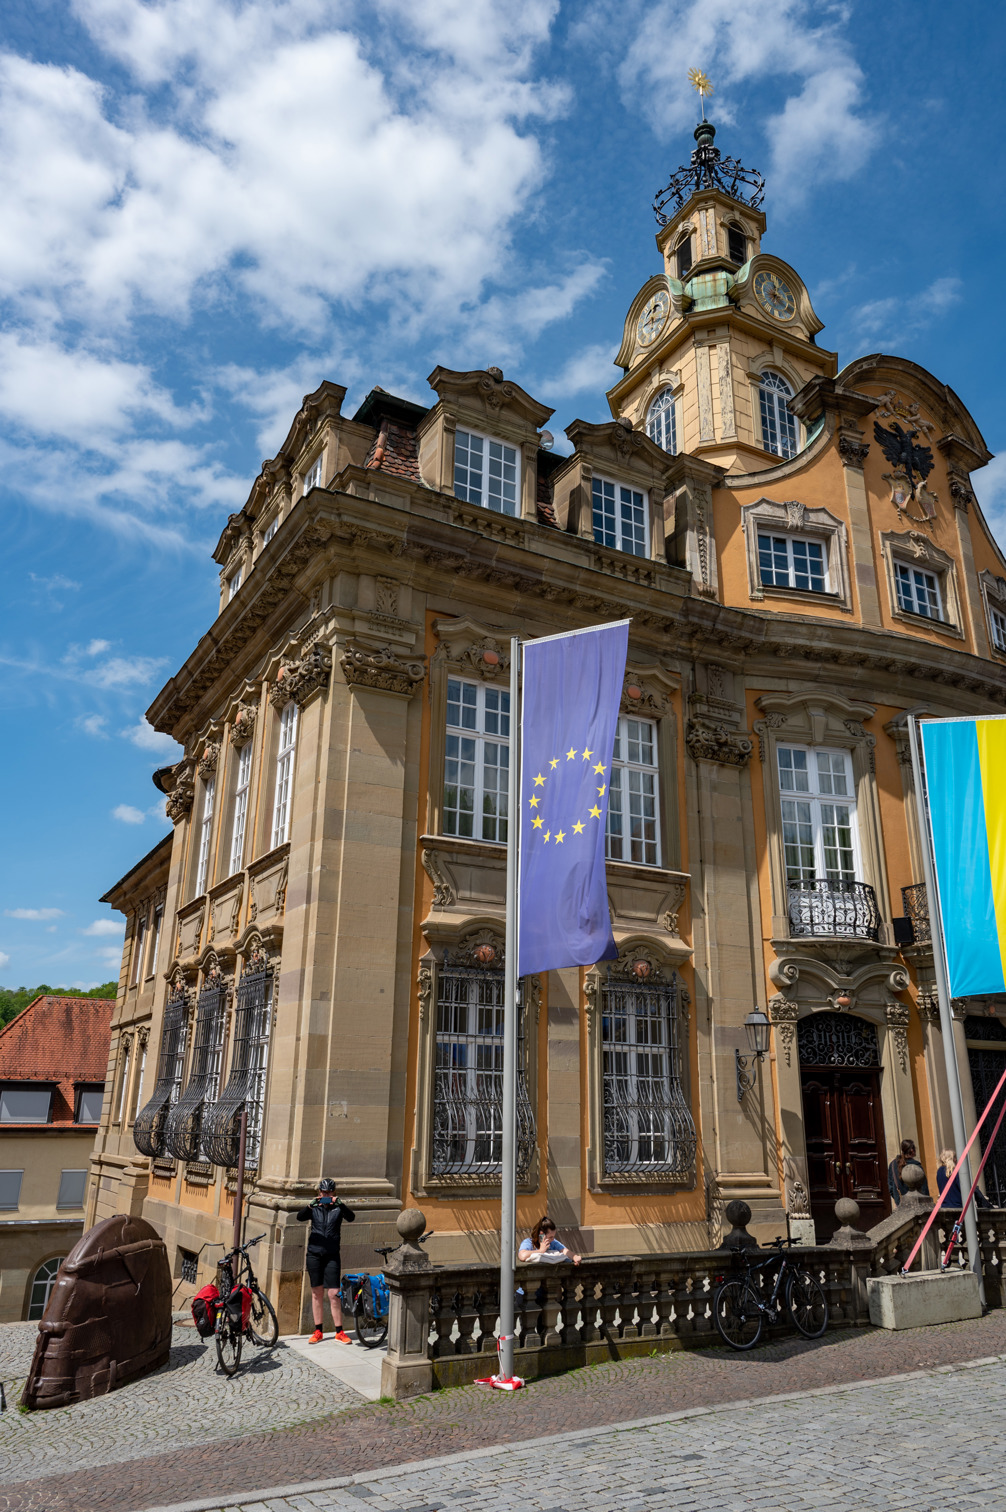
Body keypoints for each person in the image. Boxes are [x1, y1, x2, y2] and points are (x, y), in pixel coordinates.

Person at [296, 1178, 356, 1343]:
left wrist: (341, 1204)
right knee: (317, 1293)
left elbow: (351, 1217)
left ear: (334, 1193)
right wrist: (310, 1205)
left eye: (329, 1192)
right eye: (323, 1192)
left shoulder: (338, 1208)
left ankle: (339, 1331)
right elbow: (299, 1217)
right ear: (319, 1192)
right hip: (314, 1254)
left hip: (332, 1255)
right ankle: (318, 1331)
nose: (326, 1195)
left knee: (334, 1293)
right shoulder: (314, 1208)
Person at [887, 1138, 930, 1205]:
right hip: (917, 1204)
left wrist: (897, 1199)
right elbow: (924, 1188)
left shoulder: (892, 1165)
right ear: (912, 1150)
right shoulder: (916, 1166)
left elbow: (891, 1187)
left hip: (900, 1204)